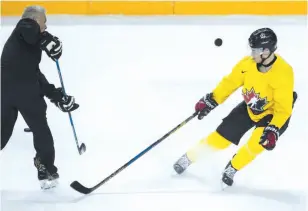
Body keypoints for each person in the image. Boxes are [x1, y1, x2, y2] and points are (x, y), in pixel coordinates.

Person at [173, 28, 297, 187]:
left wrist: (274, 129)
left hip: (273, 116)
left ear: (266, 51)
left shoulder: (284, 72)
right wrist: (212, 99)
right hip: (251, 107)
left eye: (256, 51)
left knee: (256, 144)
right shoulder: (247, 64)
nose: (252, 55)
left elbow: (283, 108)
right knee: (220, 138)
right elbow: (229, 83)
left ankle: (233, 167)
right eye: (252, 50)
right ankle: (189, 157)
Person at [1, 5, 79, 189]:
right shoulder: (26, 27)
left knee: (4, 133)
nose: (46, 26)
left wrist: (56, 96)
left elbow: (34, 75)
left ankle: (46, 169)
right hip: (22, 94)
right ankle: (46, 169)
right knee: (41, 131)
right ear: (36, 20)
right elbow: (28, 28)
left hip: (8, 92)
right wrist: (46, 38)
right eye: (44, 22)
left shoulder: (23, 46)